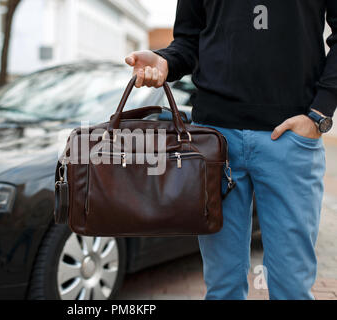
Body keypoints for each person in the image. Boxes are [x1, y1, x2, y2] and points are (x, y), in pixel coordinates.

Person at [126, 0, 336, 300]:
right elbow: (189, 42)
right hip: (214, 142)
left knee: (292, 289)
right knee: (222, 288)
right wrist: (165, 61)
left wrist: (319, 114)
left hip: (290, 140)